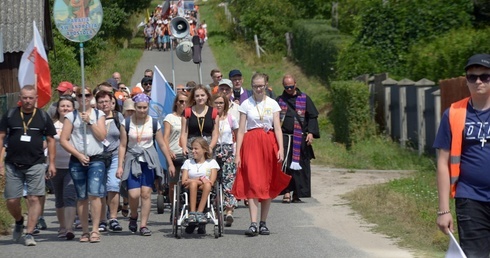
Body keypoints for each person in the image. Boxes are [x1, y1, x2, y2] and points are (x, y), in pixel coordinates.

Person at [434, 53, 490, 257]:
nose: (478, 81)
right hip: (470, 198)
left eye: (485, 76)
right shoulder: (454, 113)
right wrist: (443, 210)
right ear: (466, 80)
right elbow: (442, 162)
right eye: (472, 77)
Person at [232, 73, 291, 236]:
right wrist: (238, 153)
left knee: (266, 183)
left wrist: (281, 148)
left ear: (266, 85)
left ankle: (263, 222)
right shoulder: (245, 104)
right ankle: (252, 223)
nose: (258, 88)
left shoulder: (273, 104)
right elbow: (241, 130)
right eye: (256, 86)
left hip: (268, 143)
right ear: (252, 86)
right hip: (251, 143)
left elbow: (278, 128)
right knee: (253, 182)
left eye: (261, 85)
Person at [0, 85, 56, 246]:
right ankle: (19, 220)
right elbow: (1, 137)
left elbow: (51, 141)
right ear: (20, 98)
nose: (28, 101)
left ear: (36, 99)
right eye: (25, 97)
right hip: (13, 164)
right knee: (11, 200)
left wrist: (51, 163)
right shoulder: (10, 115)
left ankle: (29, 233)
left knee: (34, 198)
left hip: (36, 164)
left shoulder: (43, 117)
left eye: (31, 98)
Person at [116, 93, 174, 236]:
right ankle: (134, 215)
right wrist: (119, 165)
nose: (142, 110)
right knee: (134, 194)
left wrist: (170, 163)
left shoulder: (154, 123)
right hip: (132, 159)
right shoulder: (127, 123)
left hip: (148, 160)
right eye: (139, 107)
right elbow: (122, 145)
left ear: (148, 107)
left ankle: (143, 225)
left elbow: (161, 144)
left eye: (145, 107)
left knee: (146, 194)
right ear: (134, 107)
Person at [60, 86, 107, 243]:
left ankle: (95, 229)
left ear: (91, 97)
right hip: (77, 160)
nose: (84, 98)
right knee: (81, 196)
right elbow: (63, 139)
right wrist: (78, 155)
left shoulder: (99, 114)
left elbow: (102, 136)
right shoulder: (70, 116)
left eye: (87, 95)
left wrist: (90, 122)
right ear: (77, 97)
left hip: (96, 159)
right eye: (80, 95)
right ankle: (85, 231)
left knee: (94, 194)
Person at [278, 75, 320, 203]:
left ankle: (297, 193)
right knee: (285, 166)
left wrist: (311, 133)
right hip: (285, 138)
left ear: (295, 84)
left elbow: (312, 116)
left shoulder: (304, 98)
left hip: (300, 138)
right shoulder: (279, 100)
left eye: (291, 86)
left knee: (300, 167)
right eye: (287, 87)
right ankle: (286, 192)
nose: (289, 89)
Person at [95, 91, 124, 233]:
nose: (104, 104)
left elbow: (124, 139)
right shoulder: (93, 118)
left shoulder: (118, 117)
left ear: (112, 102)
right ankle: (102, 220)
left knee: (113, 185)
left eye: (106, 101)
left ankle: (113, 218)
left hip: (115, 154)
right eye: (101, 102)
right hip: (98, 156)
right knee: (100, 189)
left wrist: (121, 162)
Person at [50, 96, 77, 240]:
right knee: (59, 198)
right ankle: (61, 227)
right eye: (62, 106)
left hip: (72, 165)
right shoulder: (51, 124)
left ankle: (69, 228)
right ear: (58, 109)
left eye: (68, 106)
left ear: (73, 109)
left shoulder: (77, 124)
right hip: (55, 166)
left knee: (70, 196)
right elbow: (46, 144)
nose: (65, 108)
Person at [181, 137, 219, 228]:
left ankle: (200, 212)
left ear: (204, 150)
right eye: (192, 149)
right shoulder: (188, 162)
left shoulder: (212, 163)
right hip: (190, 188)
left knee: (207, 184)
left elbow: (211, 181)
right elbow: (184, 181)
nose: (193, 151)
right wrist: (200, 179)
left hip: (205, 187)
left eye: (196, 148)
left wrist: (192, 180)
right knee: (193, 184)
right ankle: (192, 213)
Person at [213, 93, 238, 227]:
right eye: (216, 102)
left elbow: (238, 134)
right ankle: (216, 210)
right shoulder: (211, 118)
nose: (218, 105)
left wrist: (238, 152)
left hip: (228, 151)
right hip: (214, 150)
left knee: (229, 181)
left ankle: (229, 211)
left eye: (221, 103)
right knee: (215, 181)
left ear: (225, 104)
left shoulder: (231, 118)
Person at [163, 93, 188, 216]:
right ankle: (174, 208)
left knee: (186, 181)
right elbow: (165, 137)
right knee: (173, 183)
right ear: (176, 103)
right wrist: (168, 151)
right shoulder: (170, 118)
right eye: (181, 101)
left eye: (186, 102)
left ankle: (186, 205)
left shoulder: (189, 116)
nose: (183, 104)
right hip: (174, 153)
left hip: (187, 153)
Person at [180, 84, 219, 159]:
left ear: (207, 96)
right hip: (192, 148)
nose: (200, 98)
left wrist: (210, 147)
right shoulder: (187, 112)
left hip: (207, 147)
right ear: (193, 98)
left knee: (208, 170)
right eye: (197, 96)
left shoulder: (214, 112)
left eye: (202, 95)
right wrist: (184, 147)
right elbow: (184, 134)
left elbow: (215, 134)